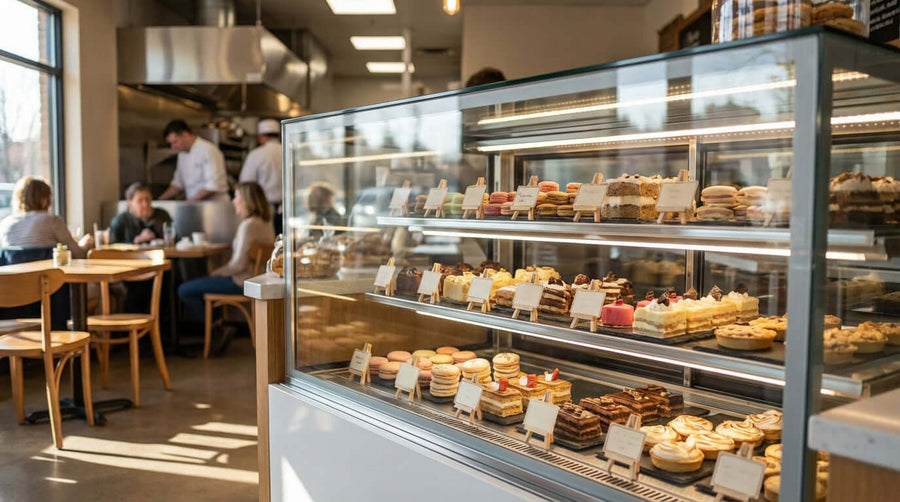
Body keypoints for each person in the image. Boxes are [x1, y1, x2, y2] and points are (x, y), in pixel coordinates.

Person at [177, 182, 275, 351]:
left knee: (184, 289)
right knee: (200, 283)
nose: (234, 201)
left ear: (246, 201)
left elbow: (238, 264)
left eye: (237, 197)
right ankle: (219, 326)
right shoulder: (266, 223)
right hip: (256, 278)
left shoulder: (248, 226)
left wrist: (218, 272)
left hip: (241, 282)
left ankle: (218, 328)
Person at [0, 176, 93, 256]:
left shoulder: (5, 224)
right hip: (47, 276)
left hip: (14, 277)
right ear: (44, 199)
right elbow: (78, 254)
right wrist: (85, 244)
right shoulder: (52, 220)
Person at [158, 120, 229, 201]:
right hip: (195, 206)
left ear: (185, 134)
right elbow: (177, 185)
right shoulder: (182, 155)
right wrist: (159, 201)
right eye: (171, 144)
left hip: (214, 206)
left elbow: (212, 187)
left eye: (175, 142)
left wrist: (190, 202)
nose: (173, 147)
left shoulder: (208, 150)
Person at [239, 119, 283, 235]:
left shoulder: (256, 154)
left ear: (261, 136)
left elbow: (246, 184)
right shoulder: (289, 151)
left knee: (269, 246)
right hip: (288, 209)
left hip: (265, 209)